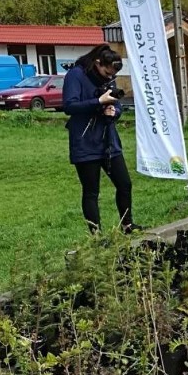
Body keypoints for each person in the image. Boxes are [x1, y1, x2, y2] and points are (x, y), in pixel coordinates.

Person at [63, 44, 139, 233]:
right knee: (91, 192)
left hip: (108, 141)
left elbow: (117, 103)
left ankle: (127, 225)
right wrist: (97, 102)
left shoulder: (108, 77)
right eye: (107, 73)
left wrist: (114, 111)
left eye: (113, 76)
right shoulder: (76, 75)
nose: (110, 78)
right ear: (98, 63)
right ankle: (97, 236)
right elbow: (69, 106)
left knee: (124, 184)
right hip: (85, 141)